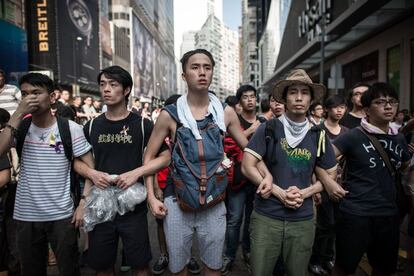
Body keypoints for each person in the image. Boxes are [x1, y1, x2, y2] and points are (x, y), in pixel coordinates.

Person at [144, 49, 268, 276]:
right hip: (176, 199)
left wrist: (266, 175)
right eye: (194, 67)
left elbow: (248, 149)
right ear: (184, 75)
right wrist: (152, 197)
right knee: (178, 267)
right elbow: (149, 155)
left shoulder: (225, 111)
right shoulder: (170, 114)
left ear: (212, 73)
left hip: (215, 198)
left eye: (207, 67)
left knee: (213, 266)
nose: (201, 72)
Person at [73, 65, 170, 276]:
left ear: (126, 90)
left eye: (113, 84)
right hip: (100, 206)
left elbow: (165, 157)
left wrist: (137, 173)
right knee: (102, 266)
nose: (106, 89)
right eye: (102, 84)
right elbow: (77, 162)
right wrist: (92, 174)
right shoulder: (91, 126)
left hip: (133, 207)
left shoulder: (143, 125)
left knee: (140, 265)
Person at [241, 69, 340, 276]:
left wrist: (304, 193)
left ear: (311, 99)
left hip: (302, 219)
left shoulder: (318, 134)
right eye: (293, 92)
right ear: (284, 98)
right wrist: (278, 192)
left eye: (304, 92)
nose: (298, 97)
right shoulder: (269, 128)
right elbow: (247, 165)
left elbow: (331, 173)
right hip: (266, 217)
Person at [0, 73, 92, 276]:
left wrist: (83, 204)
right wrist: (17, 114)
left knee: (69, 270)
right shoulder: (20, 126)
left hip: (62, 216)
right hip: (25, 216)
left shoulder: (70, 129)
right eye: (24, 94)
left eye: (36, 92)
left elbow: (90, 170)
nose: (29, 98)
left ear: (52, 97)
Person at [327, 83, 411, 276]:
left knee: (384, 269)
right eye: (380, 102)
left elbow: (405, 167)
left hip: (389, 215)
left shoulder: (398, 139)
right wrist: (330, 182)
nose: (388, 106)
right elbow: (323, 159)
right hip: (356, 214)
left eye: (392, 102)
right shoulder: (354, 136)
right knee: (344, 267)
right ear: (366, 110)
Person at [222, 84, 266, 275]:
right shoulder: (234, 121)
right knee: (234, 219)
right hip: (237, 179)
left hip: (257, 179)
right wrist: (249, 131)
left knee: (252, 219)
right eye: (245, 97)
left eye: (252, 97)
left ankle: (247, 252)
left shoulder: (264, 122)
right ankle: (229, 255)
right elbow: (227, 146)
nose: (250, 100)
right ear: (240, 101)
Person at [309, 95, 348, 276]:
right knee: (324, 226)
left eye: (342, 107)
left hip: (342, 185)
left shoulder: (347, 132)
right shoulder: (318, 130)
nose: (339, 110)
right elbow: (313, 162)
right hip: (322, 184)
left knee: (336, 225)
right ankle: (316, 260)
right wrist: (315, 187)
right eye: (335, 107)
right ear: (326, 110)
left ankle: (329, 258)